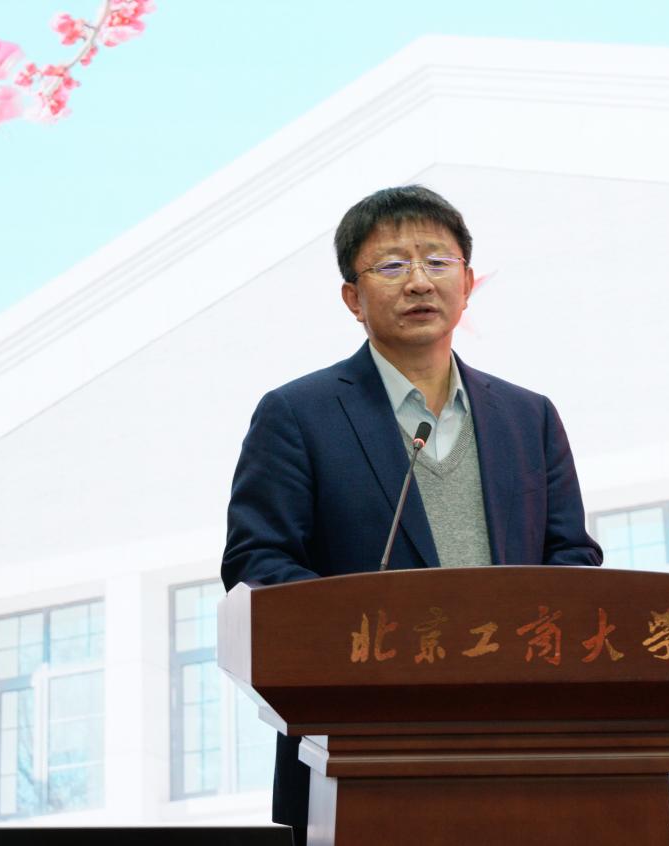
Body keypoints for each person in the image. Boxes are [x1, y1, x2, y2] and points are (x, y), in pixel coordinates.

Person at [221, 185, 601, 843]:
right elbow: (259, 563)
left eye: (437, 261)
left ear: (467, 282)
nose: (419, 281)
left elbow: (571, 558)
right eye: (392, 265)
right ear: (352, 297)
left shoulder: (528, 416)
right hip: (356, 751)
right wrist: (380, 644)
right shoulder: (298, 415)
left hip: (520, 746)